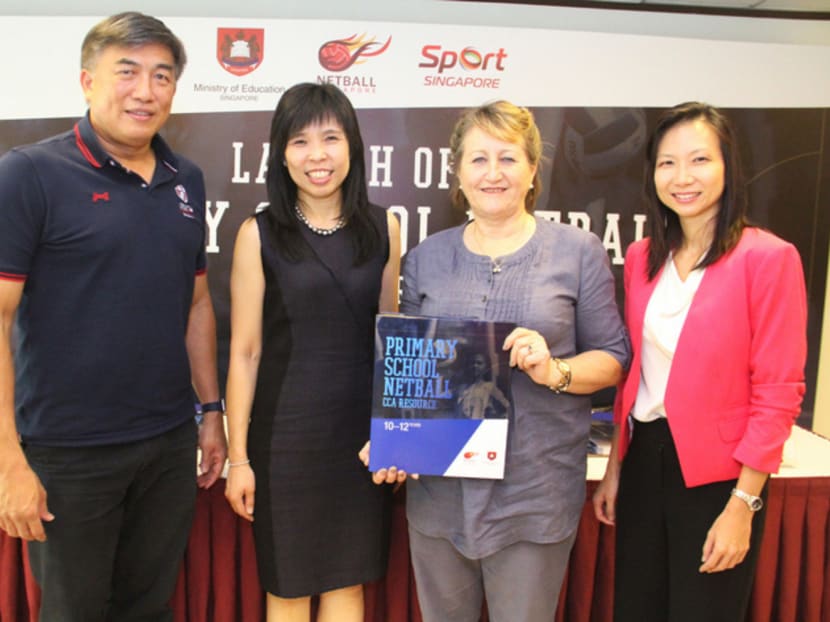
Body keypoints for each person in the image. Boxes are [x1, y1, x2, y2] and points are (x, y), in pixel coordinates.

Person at [363, 100, 630, 622]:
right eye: (478, 159)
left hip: (534, 495)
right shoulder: (425, 259)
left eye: (508, 158)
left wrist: (557, 370)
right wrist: (395, 439)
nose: (493, 173)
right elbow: (407, 375)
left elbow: (614, 360)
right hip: (439, 497)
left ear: (533, 170)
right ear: (457, 173)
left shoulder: (578, 252)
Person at [0, 12, 227, 622]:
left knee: (148, 608)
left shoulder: (188, 179)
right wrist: (6, 461)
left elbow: (197, 302)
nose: (145, 91)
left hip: (166, 444)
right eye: (126, 72)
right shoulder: (30, 174)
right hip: (68, 453)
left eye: (161, 75)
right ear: (86, 81)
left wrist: (211, 415)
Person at [592, 102, 807, 622]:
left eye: (699, 160)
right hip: (645, 461)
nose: (682, 178)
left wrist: (744, 505)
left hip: (720, 476)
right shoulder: (644, 256)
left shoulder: (768, 258)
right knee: (637, 609)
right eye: (667, 163)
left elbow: (778, 391)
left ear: (728, 166)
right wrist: (616, 470)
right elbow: (636, 372)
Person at [224, 82, 401, 622]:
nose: (317, 155)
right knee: (290, 587)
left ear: (352, 146)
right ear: (281, 153)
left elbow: (391, 338)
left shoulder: (384, 227)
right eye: (300, 142)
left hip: (361, 441)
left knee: (348, 583)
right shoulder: (259, 234)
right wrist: (238, 458)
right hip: (285, 441)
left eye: (330, 138)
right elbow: (245, 353)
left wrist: (396, 433)